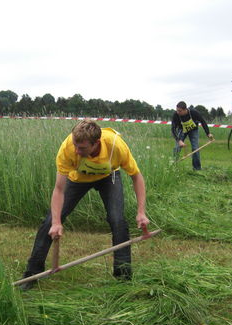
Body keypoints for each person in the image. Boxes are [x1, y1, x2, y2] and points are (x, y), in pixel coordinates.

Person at [19, 120, 150, 290]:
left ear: (96, 143)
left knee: (117, 220)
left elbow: (136, 177)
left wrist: (141, 212)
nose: (76, 150)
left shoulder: (115, 145)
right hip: (78, 180)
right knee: (50, 222)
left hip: (108, 178)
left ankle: (123, 276)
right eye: (75, 145)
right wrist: (57, 222)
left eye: (82, 148)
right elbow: (58, 189)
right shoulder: (68, 148)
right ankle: (32, 274)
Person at [171, 102, 214, 170]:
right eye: (177, 110)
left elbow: (203, 121)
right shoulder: (175, 115)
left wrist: (208, 133)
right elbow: (173, 129)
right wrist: (179, 140)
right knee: (177, 147)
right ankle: (173, 166)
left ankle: (197, 168)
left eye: (180, 111)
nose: (178, 112)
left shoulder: (194, 112)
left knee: (195, 148)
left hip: (193, 130)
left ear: (185, 110)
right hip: (182, 130)